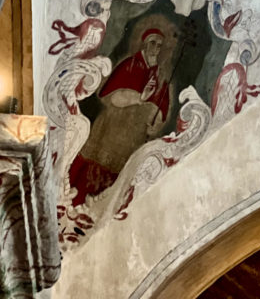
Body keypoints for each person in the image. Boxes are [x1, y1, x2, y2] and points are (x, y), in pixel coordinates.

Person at [68, 17, 179, 207]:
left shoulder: (162, 78)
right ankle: (71, 203)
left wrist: (156, 122)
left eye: (160, 45)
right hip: (110, 130)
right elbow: (111, 96)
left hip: (133, 139)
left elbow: (161, 112)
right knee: (90, 172)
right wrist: (139, 98)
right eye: (153, 43)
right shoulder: (130, 64)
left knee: (116, 183)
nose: (156, 48)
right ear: (144, 44)